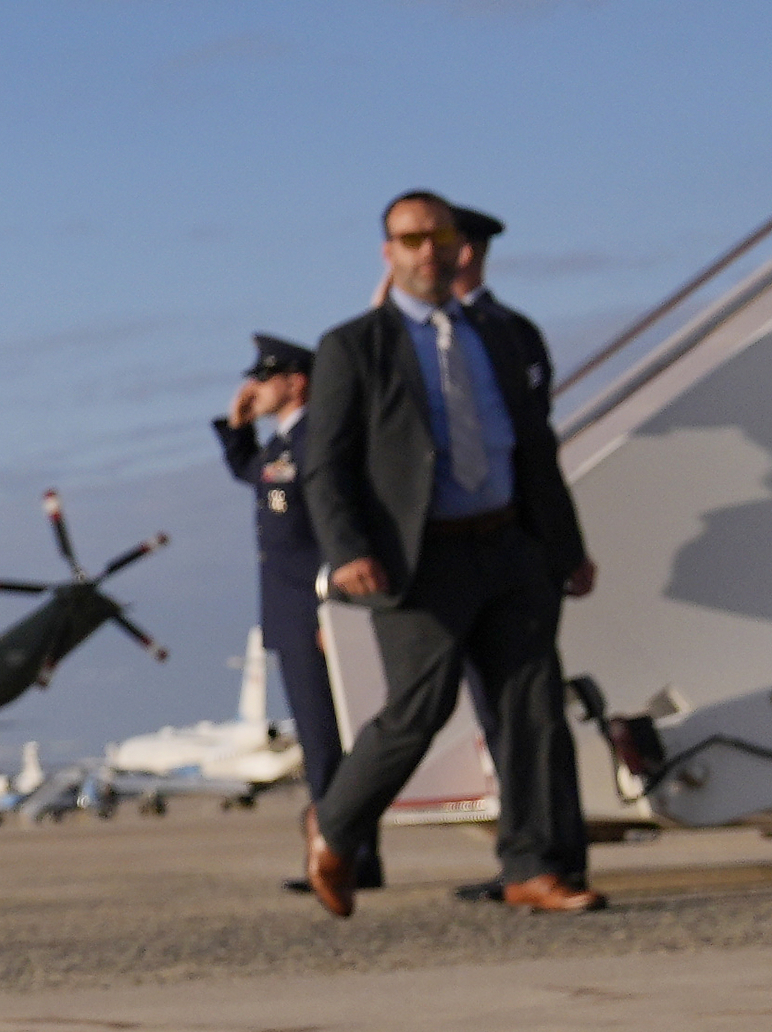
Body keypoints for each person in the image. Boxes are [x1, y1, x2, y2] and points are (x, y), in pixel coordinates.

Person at [295, 194, 601, 917]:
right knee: (418, 710)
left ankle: (532, 866)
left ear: (460, 246)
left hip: (511, 548)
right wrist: (347, 551)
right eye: (410, 239)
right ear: (388, 253)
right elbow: (325, 465)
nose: (426, 251)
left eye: (439, 237)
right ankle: (335, 826)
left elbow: (536, 450)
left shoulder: (509, 335)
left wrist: (566, 547)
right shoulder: (353, 346)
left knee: (532, 710)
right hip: (418, 560)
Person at [220, 332, 369, 892]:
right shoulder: (282, 445)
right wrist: (237, 430)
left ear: (296, 382)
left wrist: (334, 608)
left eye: (264, 379)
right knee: (317, 740)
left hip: (315, 611)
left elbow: (335, 521)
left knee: (330, 739)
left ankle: (344, 854)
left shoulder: (316, 440)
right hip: (288, 612)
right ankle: (344, 853)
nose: (253, 389)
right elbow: (254, 476)